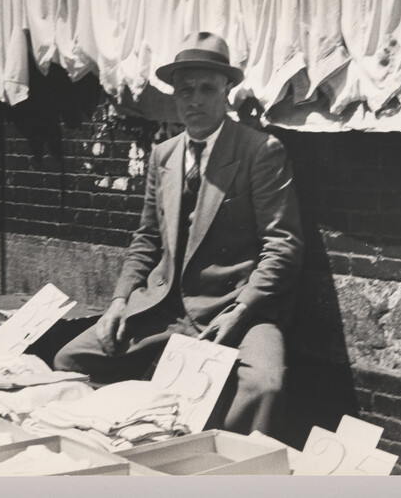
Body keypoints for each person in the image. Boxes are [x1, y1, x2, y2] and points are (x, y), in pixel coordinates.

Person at [53, 31, 304, 434]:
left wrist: (241, 313)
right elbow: (147, 240)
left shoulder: (260, 151)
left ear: (227, 90)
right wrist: (119, 301)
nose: (195, 100)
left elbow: (282, 247)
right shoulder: (164, 155)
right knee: (71, 360)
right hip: (164, 308)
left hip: (235, 306)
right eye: (185, 90)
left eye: (207, 88)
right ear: (174, 95)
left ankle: (221, 470)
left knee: (265, 384)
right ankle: (128, 443)